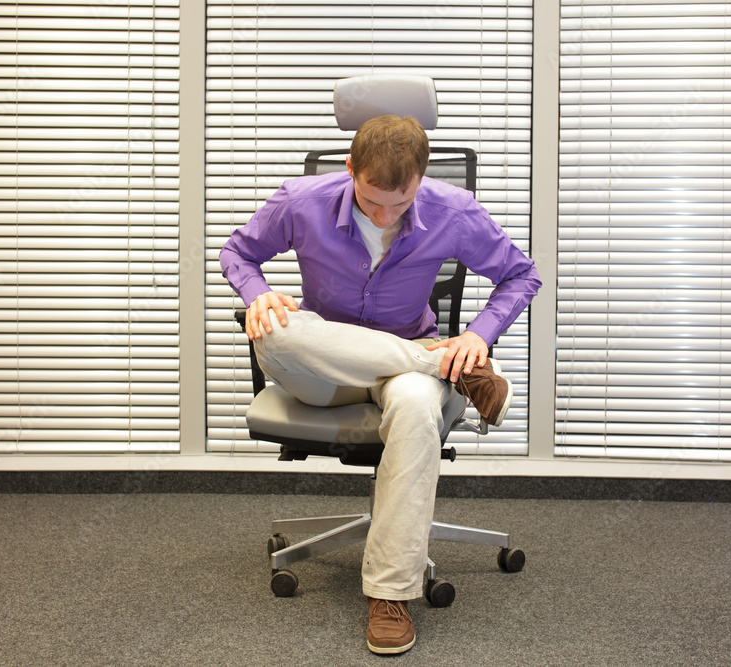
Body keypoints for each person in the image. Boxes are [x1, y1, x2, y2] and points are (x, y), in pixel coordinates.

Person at [220, 115, 541, 655]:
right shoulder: (301, 201)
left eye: (401, 204)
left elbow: (521, 274)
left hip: (400, 377)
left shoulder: (453, 211)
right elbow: (238, 252)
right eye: (372, 203)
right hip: (326, 368)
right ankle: (443, 365)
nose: (386, 215)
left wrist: (481, 334)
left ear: (421, 177)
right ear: (350, 170)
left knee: (417, 407)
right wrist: (257, 293)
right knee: (275, 332)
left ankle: (390, 596)